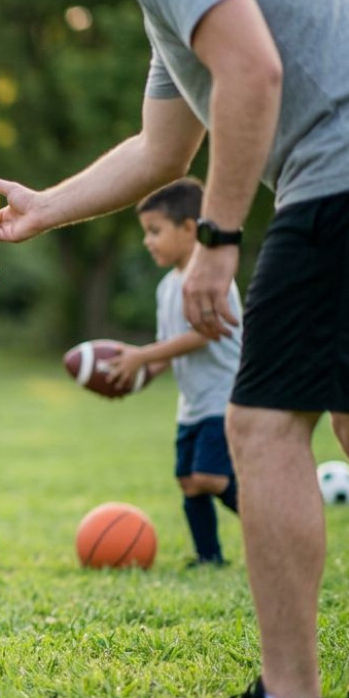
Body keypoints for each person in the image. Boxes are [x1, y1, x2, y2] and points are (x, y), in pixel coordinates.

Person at [0, 0, 349, 698]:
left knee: (263, 427)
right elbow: (163, 150)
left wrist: (217, 236)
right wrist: (45, 206)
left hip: (335, 177)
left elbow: (252, 71)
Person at [107, 178, 241, 567]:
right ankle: (209, 557)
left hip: (222, 396)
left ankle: (270, 523)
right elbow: (168, 346)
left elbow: (204, 334)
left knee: (210, 477)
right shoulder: (167, 287)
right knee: (188, 481)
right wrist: (139, 376)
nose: (148, 241)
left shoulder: (213, 280)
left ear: (188, 228)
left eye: (155, 231)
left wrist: (140, 355)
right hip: (192, 404)